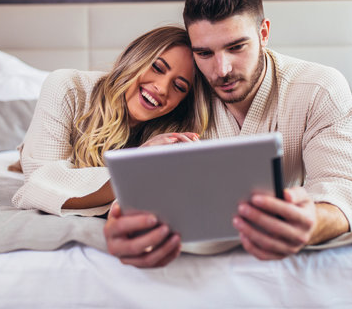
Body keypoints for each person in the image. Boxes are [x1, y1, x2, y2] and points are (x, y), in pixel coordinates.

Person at [103, 0, 352, 267]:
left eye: (236, 47)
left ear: (263, 33)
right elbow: (148, 183)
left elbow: (350, 188)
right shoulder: (179, 91)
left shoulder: (318, 87)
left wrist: (313, 222)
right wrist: (125, 224)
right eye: (204, 53)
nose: (221, 71)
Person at [12, 26, 212, 217]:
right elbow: (39, 188)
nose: (161, 88)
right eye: (157, 68)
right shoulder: (67, 88)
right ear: (135, 58)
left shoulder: (171, 134)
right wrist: (135, 167)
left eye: (179, 86)